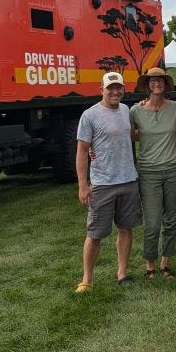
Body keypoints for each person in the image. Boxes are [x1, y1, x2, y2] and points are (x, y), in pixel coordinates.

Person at [74, 72, 141, 293]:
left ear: (123, 89)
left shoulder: (126, 111)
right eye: (110, 88)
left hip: (128, 180)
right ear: (101, 89)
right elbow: (82, 150)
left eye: (118, 88)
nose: (115, 92)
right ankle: (87, 279)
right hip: (102, 184)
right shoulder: (89, 115)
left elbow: (131, 135)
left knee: (125, 229)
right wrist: (83, 185)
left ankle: (122, 273)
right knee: (95, 234)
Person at [130, 66, 176, 281]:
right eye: (152, 81)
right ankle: (150, 265)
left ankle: (165, 264)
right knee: (152, 222)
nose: (156, 84)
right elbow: (124, 135)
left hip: (174, 170)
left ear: (166, 84)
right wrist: (92, 149)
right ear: (146, 85)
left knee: (170, 220)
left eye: (160, 80)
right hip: (148, 172)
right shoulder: (135, 111)